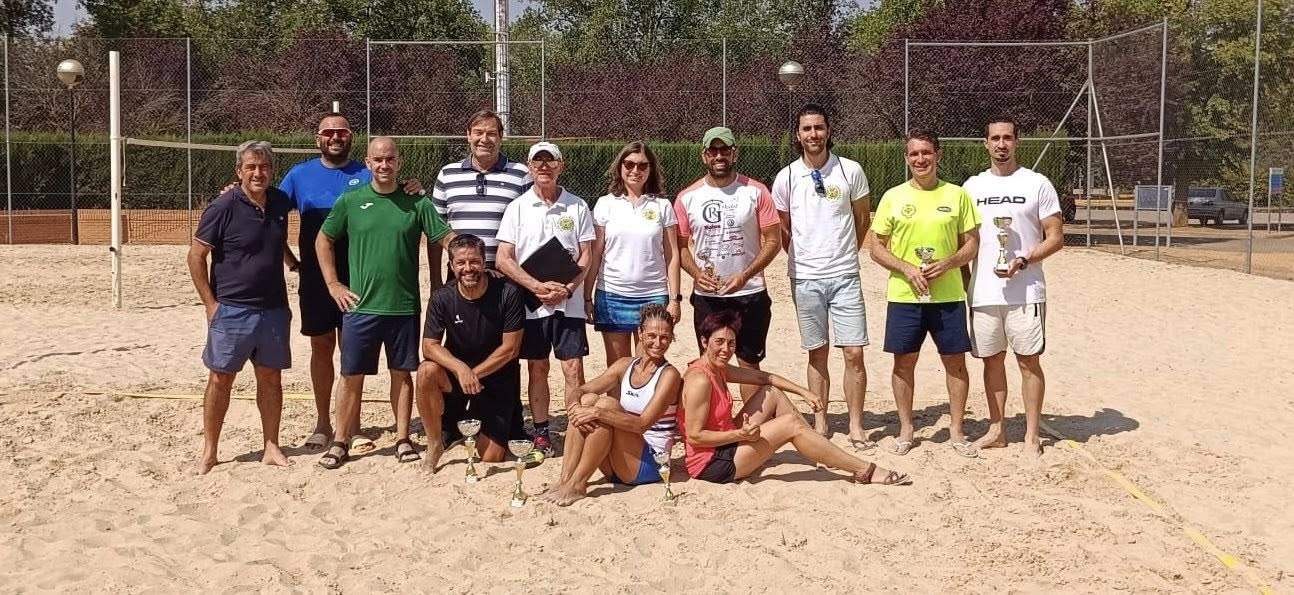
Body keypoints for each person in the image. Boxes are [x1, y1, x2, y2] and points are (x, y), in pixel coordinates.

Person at [279, 112, 422, 454]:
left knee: (351, 353)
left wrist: (414, 186)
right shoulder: (299, 176)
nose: (335, 137)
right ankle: (323, 424)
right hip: (319, 278)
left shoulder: (366, 171)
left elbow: (397, 195)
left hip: (361, 278)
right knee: (322, 348)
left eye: (341, 131)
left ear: (350, 137)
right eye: (328, 132)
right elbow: (269, 213)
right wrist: (292, 261)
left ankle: (352, 427)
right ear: (318, 139)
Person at [315, 137, 456, 469]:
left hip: (403, 306)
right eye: (377, 160)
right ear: (367, 163)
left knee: (402, 374)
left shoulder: (417, 203)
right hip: (360, 307)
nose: (383, 165)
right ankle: (340, 439)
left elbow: (444, 237)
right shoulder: (351, 201)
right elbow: (324, 240)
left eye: (389, 159)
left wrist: (470, 251)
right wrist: (334, 284)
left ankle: (402, 438)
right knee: (351, 376)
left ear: (398, 162)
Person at [679, 311, 910, 486]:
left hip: (724, 443)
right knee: (791, 424)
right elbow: (695, 436)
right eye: (718, 342)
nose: (726, 349)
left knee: (773, 393)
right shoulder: (700, 380)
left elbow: (764, 377)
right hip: (711, 464)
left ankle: (819, 448)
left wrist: (803, 391)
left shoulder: (717, 368)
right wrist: (739, 434)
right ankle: (865, 470)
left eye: (731, 343)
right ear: (703, 342)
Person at [186, 140, 297, 475]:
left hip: (274, 308)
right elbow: (195, 257)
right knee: (221, 379)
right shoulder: (223, 206)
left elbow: (276, 242)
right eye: (251, 167)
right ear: (239, 171)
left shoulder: (279, 201)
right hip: (231, 310)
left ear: (271, 170)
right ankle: (210, 451)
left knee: (271, 379)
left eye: (263, 166)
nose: (258, 172)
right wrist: (210, 304)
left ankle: (271, 446)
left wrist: (294, 264)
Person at [868, 131, 981, 458]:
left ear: (938, 155)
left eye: (926, 153)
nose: (921, 159)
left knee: (955, 364)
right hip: (905, 296)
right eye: (914, 154)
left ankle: (957, 430)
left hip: (948, 297)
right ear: (907, 158)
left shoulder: (957, 195)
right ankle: (906, 429)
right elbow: (876, 247)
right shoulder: (893, 196)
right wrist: (906, 268)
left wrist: (948, 263)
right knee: (904, 364)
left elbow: (972, 243)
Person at [772, 103, 874, 446]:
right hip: (805, 278)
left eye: (819, 128)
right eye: (806, 129)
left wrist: (845, 252)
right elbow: (782, 228)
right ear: (798, 136)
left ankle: (857, 425)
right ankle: (820, 422)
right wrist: (804, 258)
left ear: (829, 131)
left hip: (845, 274)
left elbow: (863, 219)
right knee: (817, 352)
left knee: (854, 353)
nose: (813, 134)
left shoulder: (850, 170)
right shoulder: (786, 176)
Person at [963, 116, 1064, 457]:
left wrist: (1025, 259)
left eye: (1007, 138)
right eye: (995, 138)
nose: (1001, 144)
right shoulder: (972, 187)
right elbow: (965, 241)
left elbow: (1056, 238)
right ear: (985, 143)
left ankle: (1032, 436)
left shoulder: (1036, 184)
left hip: (1027, 291)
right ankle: (997, 429)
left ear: (1017, 142)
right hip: (984, 291)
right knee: (991, 362)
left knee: (1028, 361)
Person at [496, 141, 596, 455]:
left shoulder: (577, 205)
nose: (544, 167)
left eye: (550, 161)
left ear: (560, 166)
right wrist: (536, 287)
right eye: (537, 161)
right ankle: (541, 433)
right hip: (532, 304)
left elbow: (586, 255)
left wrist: (567, 289)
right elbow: (503, 258)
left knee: (572, 369)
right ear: (529, 167)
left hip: (569, 303)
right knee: (537, 367)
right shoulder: (518, 207)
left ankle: (575, 429)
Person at [673, 126, 780, 394]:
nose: (718, 155)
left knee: (748, 364)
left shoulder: (756, 191)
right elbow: (681, 247)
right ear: (704, 155)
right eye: (713, 150)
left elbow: (773, 241)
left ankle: (750, 422)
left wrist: (745, 274)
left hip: (750, 292)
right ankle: (713, 424)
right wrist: (697, 273)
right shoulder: (687, 197)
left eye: (724, 150)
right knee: (710, 363)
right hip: (709, 295)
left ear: (735, 154)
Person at [542, 304, 682, 506]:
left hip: (650, 463)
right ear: (640, 333)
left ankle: (578, 484)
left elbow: (641, 424)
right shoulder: (626, 365)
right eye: (652, 335)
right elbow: (580, 390)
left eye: (665, 337)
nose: (658, 343)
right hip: (619, 460)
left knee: (605, 406)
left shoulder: (669, 375)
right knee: (588, 400)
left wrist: (596, 412)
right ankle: (566, 479)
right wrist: (576, 405)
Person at [416, 234, 528, 471]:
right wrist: (461, 369)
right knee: (426, 370)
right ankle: (435, 443)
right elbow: (429, 346)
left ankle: (477, 420)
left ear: (484, 262)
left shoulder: (508, 293)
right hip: (458, 376)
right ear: (451, 266)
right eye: (461, 263)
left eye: (474, 261)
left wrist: (474, 374)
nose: (468, 268)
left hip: (497, 377)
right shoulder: (442, 297)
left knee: (491, 457)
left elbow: (510, 349)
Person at [585, 141, 681, 364]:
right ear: (620, 166)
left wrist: (675, 299)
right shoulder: (605, 204)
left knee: (647, 366)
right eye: (629, 164)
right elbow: (596, 254)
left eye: (642, 166)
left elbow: (672, 255)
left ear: (650, 170)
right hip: (612, 296)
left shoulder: (662, 205)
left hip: (653, 297)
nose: (635, 171)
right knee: (618, 366)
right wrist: (587, 297)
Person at [428, 110, 533, 288]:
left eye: (491, 133)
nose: (484, 139)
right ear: (468, 135)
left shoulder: (521, 174)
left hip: (506, 277)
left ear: (501, 137)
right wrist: (436, 283)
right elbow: (435, 234)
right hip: (460, 275)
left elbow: (531, 231)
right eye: (478, 132)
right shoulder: (447, 174)